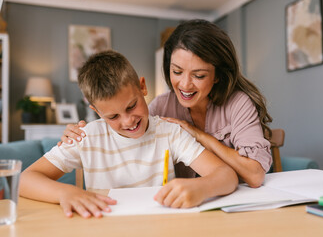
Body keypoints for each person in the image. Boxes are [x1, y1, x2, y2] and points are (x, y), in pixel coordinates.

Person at [19, 50, 238, 219]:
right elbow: (25, 180)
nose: (127, 121)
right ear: (96, 111)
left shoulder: (169, 132)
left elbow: (226, 176)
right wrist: (65, 193)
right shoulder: (86, 137)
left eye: (132, 106)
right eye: (112, 116)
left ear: (142, 87)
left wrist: (201, 187)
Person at [59, 19, 273, 188]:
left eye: (198, 75)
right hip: (181, 206)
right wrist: (79, 136)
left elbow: (254, 175)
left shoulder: (238, 104)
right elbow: (129, 138)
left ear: (217, 76)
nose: (185, 85)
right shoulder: (161, 107)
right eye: (177, 71)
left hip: (233, 199)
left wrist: (200, 136)